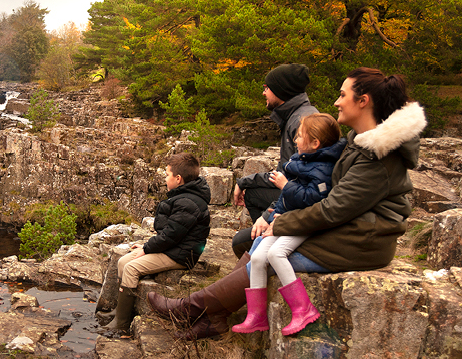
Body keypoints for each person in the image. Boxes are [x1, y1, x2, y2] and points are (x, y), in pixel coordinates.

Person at [147, 67, 427, 340]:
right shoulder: (358, 141)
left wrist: (281, 222)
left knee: (268, 253)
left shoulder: (377, 156)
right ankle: (213, 315)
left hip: (363, 238)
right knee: (254, 245)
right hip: (350, 226)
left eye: (343, 95)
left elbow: (334, 208)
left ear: (363, 101)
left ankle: (193, 308)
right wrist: (271, 216)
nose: (336, 102)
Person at [232, 113, 345, 336]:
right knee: (257, 257)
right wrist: (273, 215)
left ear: (315, 143)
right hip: (285, 218)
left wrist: (285, 187)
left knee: (276, 254)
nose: (295, 140)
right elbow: (287, 199)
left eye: (300, 136)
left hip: (303, 222)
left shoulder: (324, 169)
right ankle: (257, 316)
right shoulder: (302, 161)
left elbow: (313, 200)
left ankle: (303, 309)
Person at [99, 152, 211, 332]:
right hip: (173, 247)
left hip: (181, 255)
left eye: (167, 175)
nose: (165, 179)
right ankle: (118, 312)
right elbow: (170, 232)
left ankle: (121, 325)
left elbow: (171, 236)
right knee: (122, 262)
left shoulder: (189, 203)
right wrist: (147, 246)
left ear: (178, 178)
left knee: (131, 268)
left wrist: (147, 248)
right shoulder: (184, 196)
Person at [232, 63, 319, 258]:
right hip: (293, 196)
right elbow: (283, 173)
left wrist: (268, 215)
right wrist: (243, 181)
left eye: (267, 88)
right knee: (252, 193)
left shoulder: (302, 122)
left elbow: (301, 183)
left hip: (303, 204)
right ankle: (267, 238)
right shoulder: (294, 117)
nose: (264, 92)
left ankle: (269, 243)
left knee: (239, 242)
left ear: (281, 90)